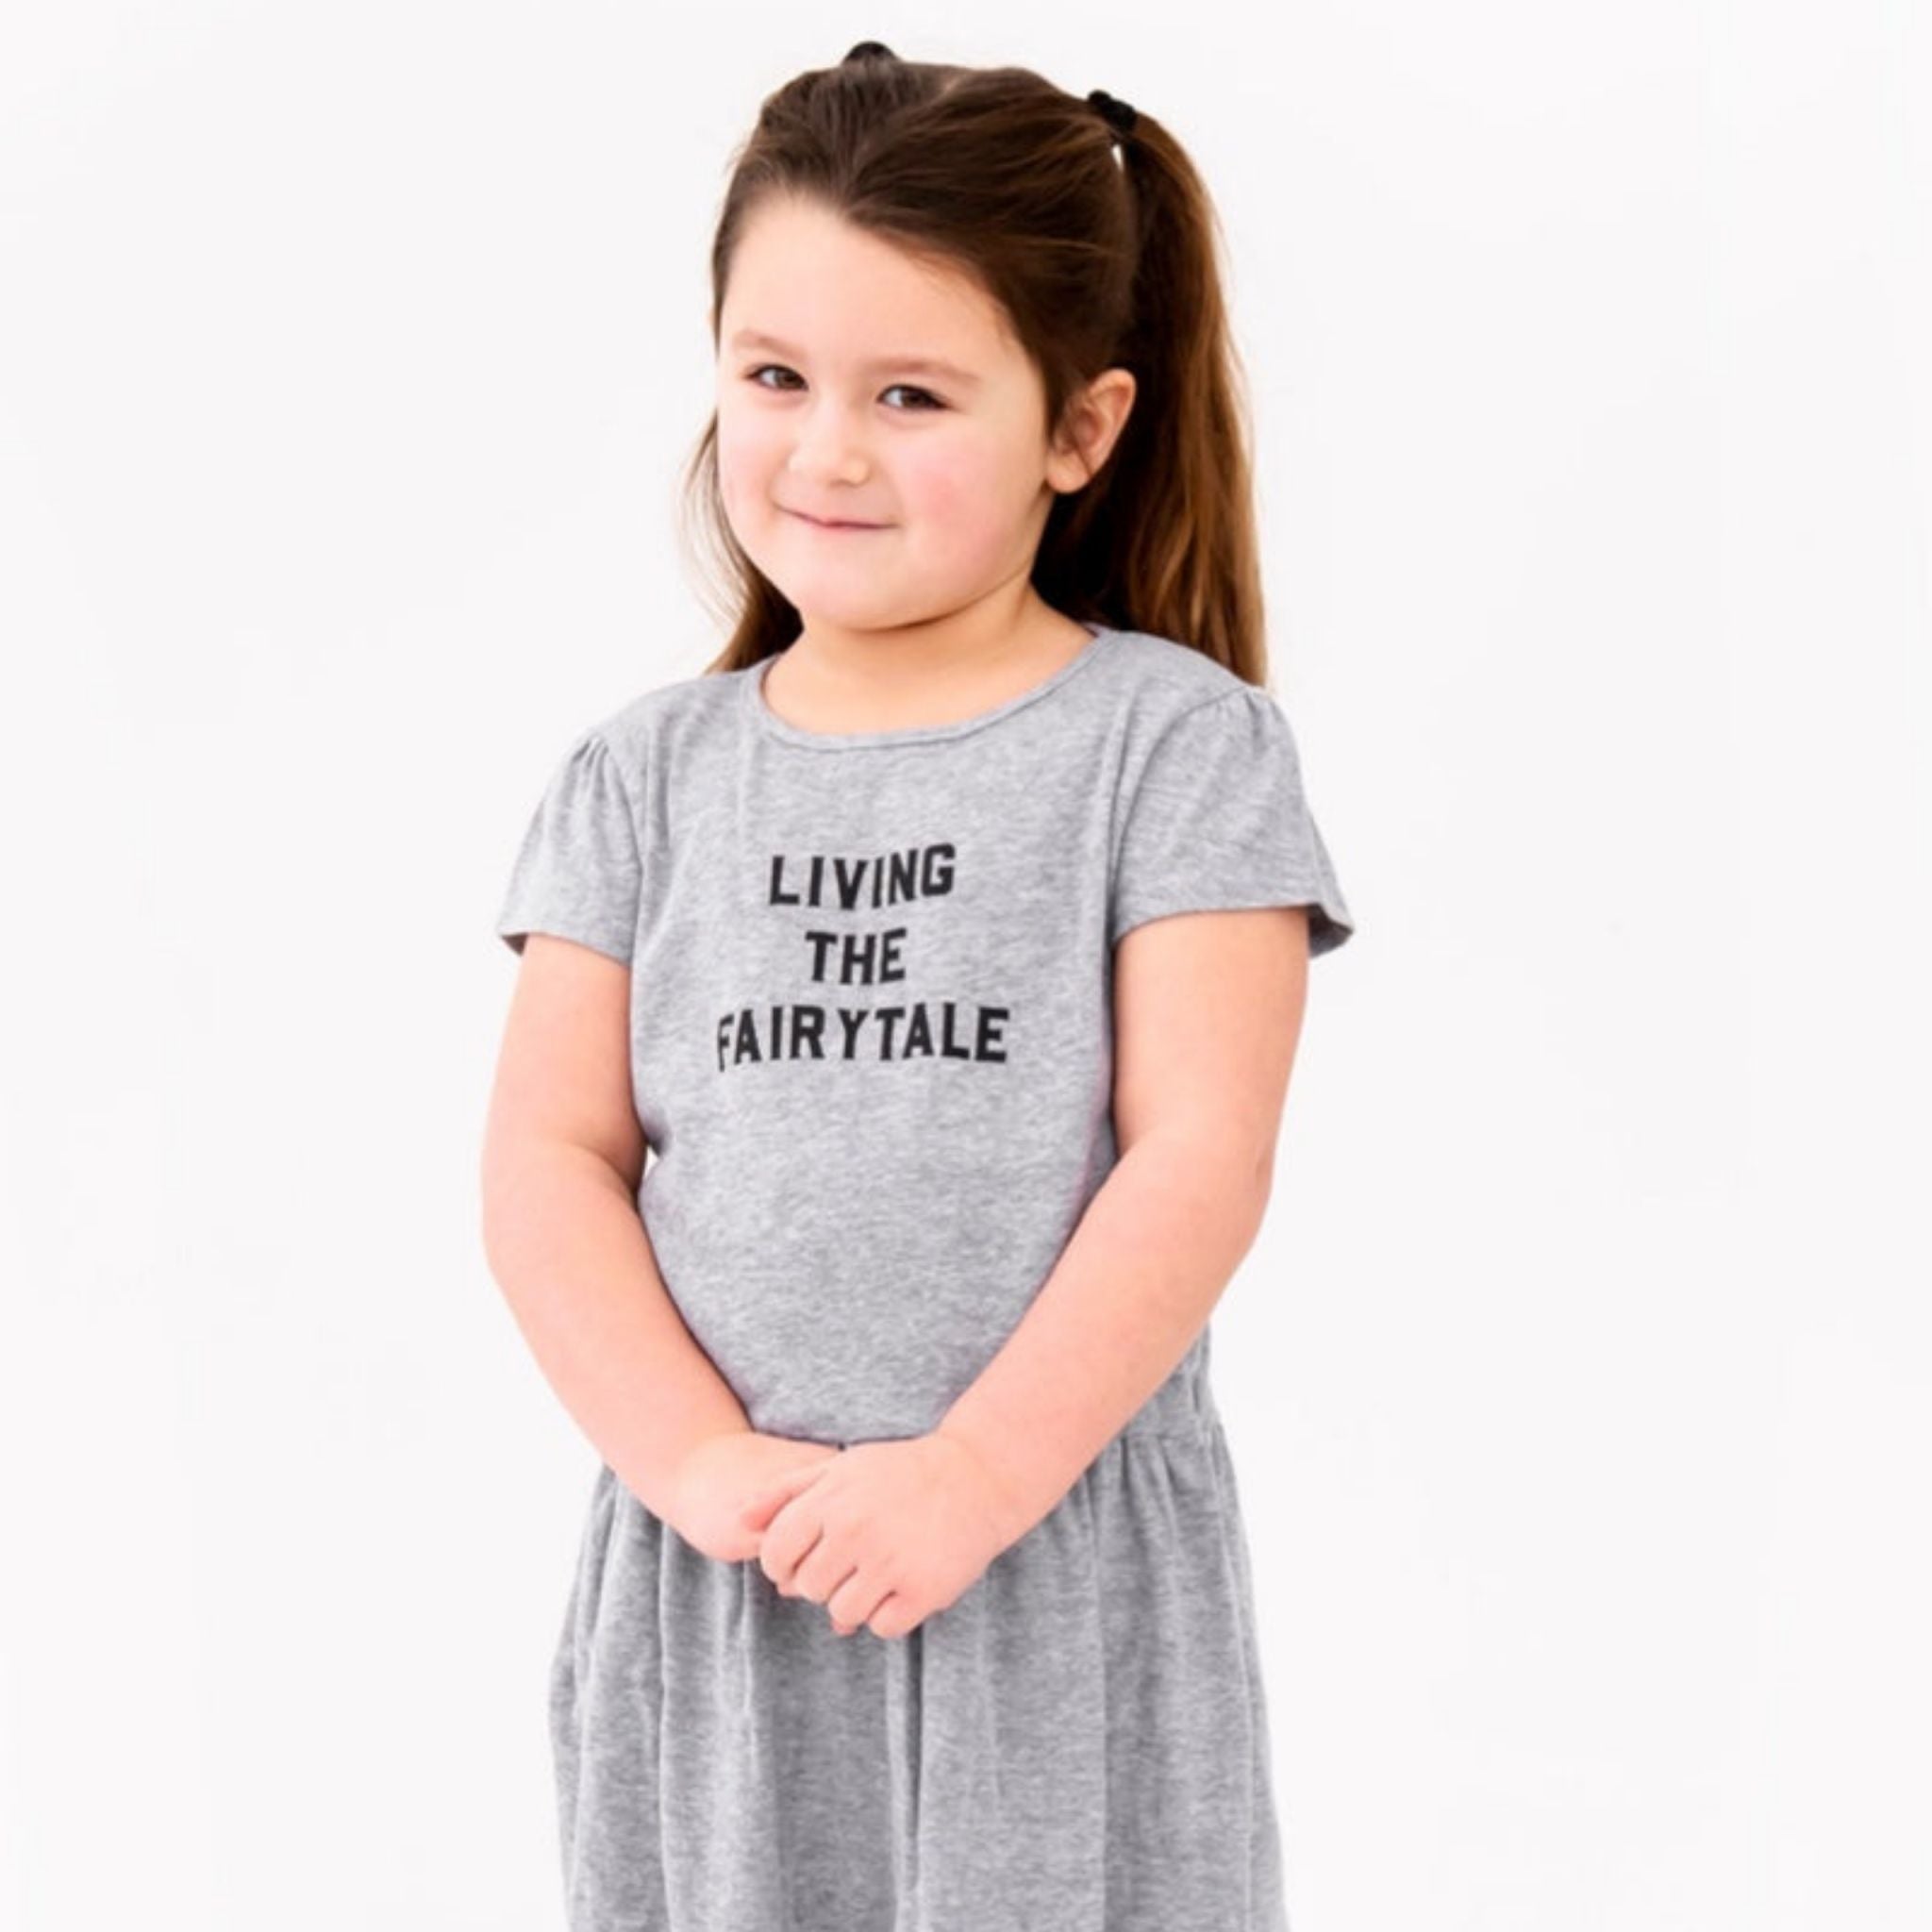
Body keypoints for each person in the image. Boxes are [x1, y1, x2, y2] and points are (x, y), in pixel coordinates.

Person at [480, 41, 1357, 1932]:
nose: (826, 451)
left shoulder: (1173, 749)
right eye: (773, 377)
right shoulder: (640, 778)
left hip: (1049, 1570)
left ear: (1080, 428)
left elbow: (1198, 1155)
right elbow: (550, 1158)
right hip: (726, 1583)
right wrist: (698, 1463)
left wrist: (974, 1471)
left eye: (912, 394)